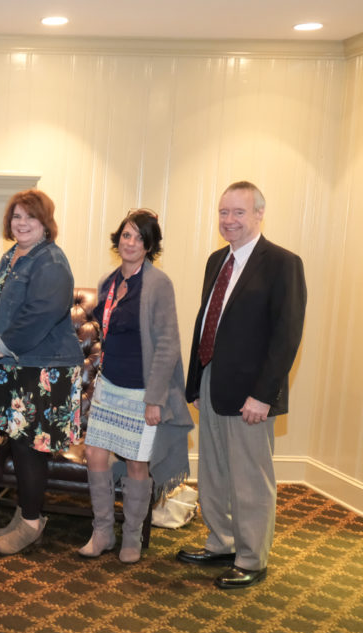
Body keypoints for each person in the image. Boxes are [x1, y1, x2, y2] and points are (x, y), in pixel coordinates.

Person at [178, 181, 307, 589]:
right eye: (223, 212)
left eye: (238, 212)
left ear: (258, 214)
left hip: (252, 390)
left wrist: (264, 395)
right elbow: (206, 323)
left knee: (250, 477)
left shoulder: (283, 263)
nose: (229, 220)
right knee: (214, 471)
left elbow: (286, 336)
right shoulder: (217, 260)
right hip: (213, 380)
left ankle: (251, 558)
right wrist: (196, 382)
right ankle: (221, 543)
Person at [0, 189, 84, 555]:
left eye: (30, 218)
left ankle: (33, 523)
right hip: (17, 368)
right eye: (17, 217)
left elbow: (37, 317)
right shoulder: (15, 255)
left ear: (45, 222)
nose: (22, 223)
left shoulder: (50, 261)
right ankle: (24, 515)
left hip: (42, 370)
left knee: (30, 448)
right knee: (20, 446)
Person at [78, 210, 193, 563]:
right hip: (109, 387)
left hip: (142, 392)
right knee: (94, 455)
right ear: (118, 240)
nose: (131, 243)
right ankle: (102, 533)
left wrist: (155, 399)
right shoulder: (107, 282)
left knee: (136, 465)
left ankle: (131, 538)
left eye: (140, 238)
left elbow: (168, 345)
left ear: (149, 246)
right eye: (126, 235)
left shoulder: (158, 284)